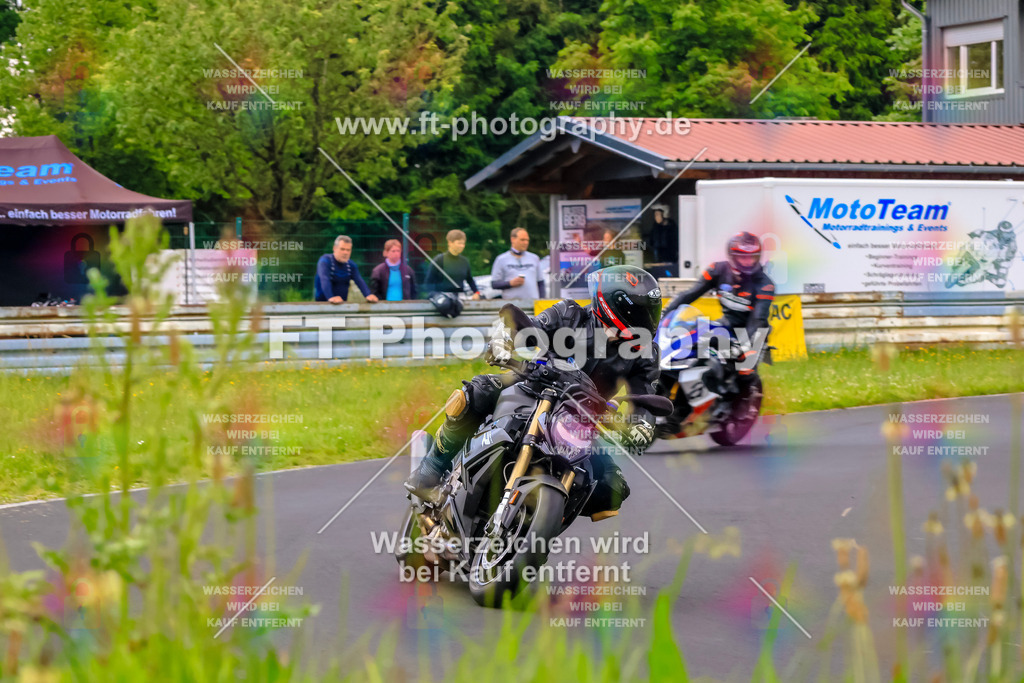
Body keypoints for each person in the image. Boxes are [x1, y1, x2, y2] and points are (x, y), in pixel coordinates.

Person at [404, 264, 663, 517]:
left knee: (612, 490)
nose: (648, 319)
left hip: (582, 420)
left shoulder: (645, 352)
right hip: (534, 387)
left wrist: (642, 425)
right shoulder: (571, 315)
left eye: (652, 311)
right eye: (642, 311)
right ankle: (431, 468)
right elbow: (528, 328)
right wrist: (504, 340)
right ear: (614, 306)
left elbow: (645, 395)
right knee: (477, 392)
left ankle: (541, 517)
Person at [659, 232, 774, 431]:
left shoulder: (764, 284)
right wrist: (665, 312)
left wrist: (745, 346)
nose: (747, 262)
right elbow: (690, 294)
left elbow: (758, 319)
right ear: (732, 256)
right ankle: (678, 397)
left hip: (753, 331)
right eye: (742, 257)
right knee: (687, 342)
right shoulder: (718, 270)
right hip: (726, 325)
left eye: (752, 257)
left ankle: (741, 403)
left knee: (745, 366)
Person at [314, 235, 378, 303]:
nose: (345, 253)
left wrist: (368, 295)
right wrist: (330, 297)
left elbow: (359, 280)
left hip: (341, 304)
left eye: (348, 250)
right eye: (342, 249)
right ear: (334, 248)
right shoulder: (325, 261)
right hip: (322, 304)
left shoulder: (351, 265)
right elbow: (324, 279)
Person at [423, 229, 481, 300]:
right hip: (442, 299)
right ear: (450, 243)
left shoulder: (464, 261)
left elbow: (470, 280)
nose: (462, 246)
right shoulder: (439, 260)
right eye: (459, 243)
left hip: (459, 299)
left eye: (463, 244)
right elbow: (429, 282)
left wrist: (476, 292)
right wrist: (435, 295)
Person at [490, 227, 545, 300]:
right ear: (513, 239)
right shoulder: (501, 259)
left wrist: (542, 301)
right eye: (522, 240)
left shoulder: (534, 258)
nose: (526, 243)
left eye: (527, 240)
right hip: (511, 304)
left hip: (533, 303)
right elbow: (494, 284)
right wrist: (510, 283)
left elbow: (540, 282)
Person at [648, 204, 679, 275]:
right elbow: (652, 242)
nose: (656, 217)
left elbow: (675, 244)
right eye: (655, 215)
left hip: (670, 260)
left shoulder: (672, 227)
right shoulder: (655, 227)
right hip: (658, 259)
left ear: (664, 215)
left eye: (658, 215)